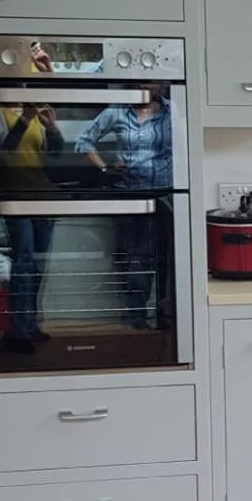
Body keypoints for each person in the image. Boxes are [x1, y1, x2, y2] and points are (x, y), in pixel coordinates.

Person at [75, 87, 173, 329]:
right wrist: (104, 169)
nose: (145, 88)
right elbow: (83, 142)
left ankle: (164, 313)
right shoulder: (117, 111)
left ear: (159, 85)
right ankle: (136, 316)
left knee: (165, 257)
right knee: (137, 256)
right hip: (129, 194)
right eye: (139, 83)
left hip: (167, 194)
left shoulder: (174, 110)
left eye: (150, 83)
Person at [0, 100, 64, 352]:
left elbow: (56, 153)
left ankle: (30, 324)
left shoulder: (33, 111)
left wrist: (52, 128)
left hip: (42, 196)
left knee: (38, 263)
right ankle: (16, 332)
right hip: (14, 196)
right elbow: (1, 151)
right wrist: (24, 119)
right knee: (24, 261)